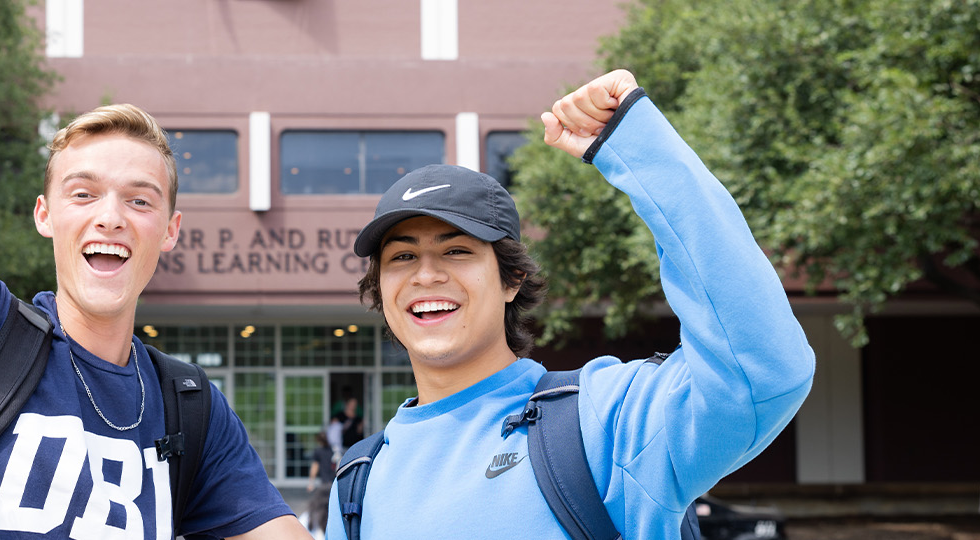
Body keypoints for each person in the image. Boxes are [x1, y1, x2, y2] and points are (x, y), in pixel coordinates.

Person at [0, 1, 308, 538]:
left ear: (170, 230)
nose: (111, 217)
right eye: (83, 194)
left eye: (140, 200)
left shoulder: (190, 406)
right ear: (44, 215)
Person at [326, 69, 815, 539]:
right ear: (380, 289)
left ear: (512, 279)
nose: (426, 274)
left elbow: (762, 371)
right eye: (403, 256)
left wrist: (637, 145)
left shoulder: (604, 419)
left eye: (456, 251)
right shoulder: (358, 480)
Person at [305, 432, 336, 538]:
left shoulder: (318, 451)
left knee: (320, 507)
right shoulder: (333, 450)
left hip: (324, 483)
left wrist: (311, 482)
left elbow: (315, 467)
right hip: (333, 483)